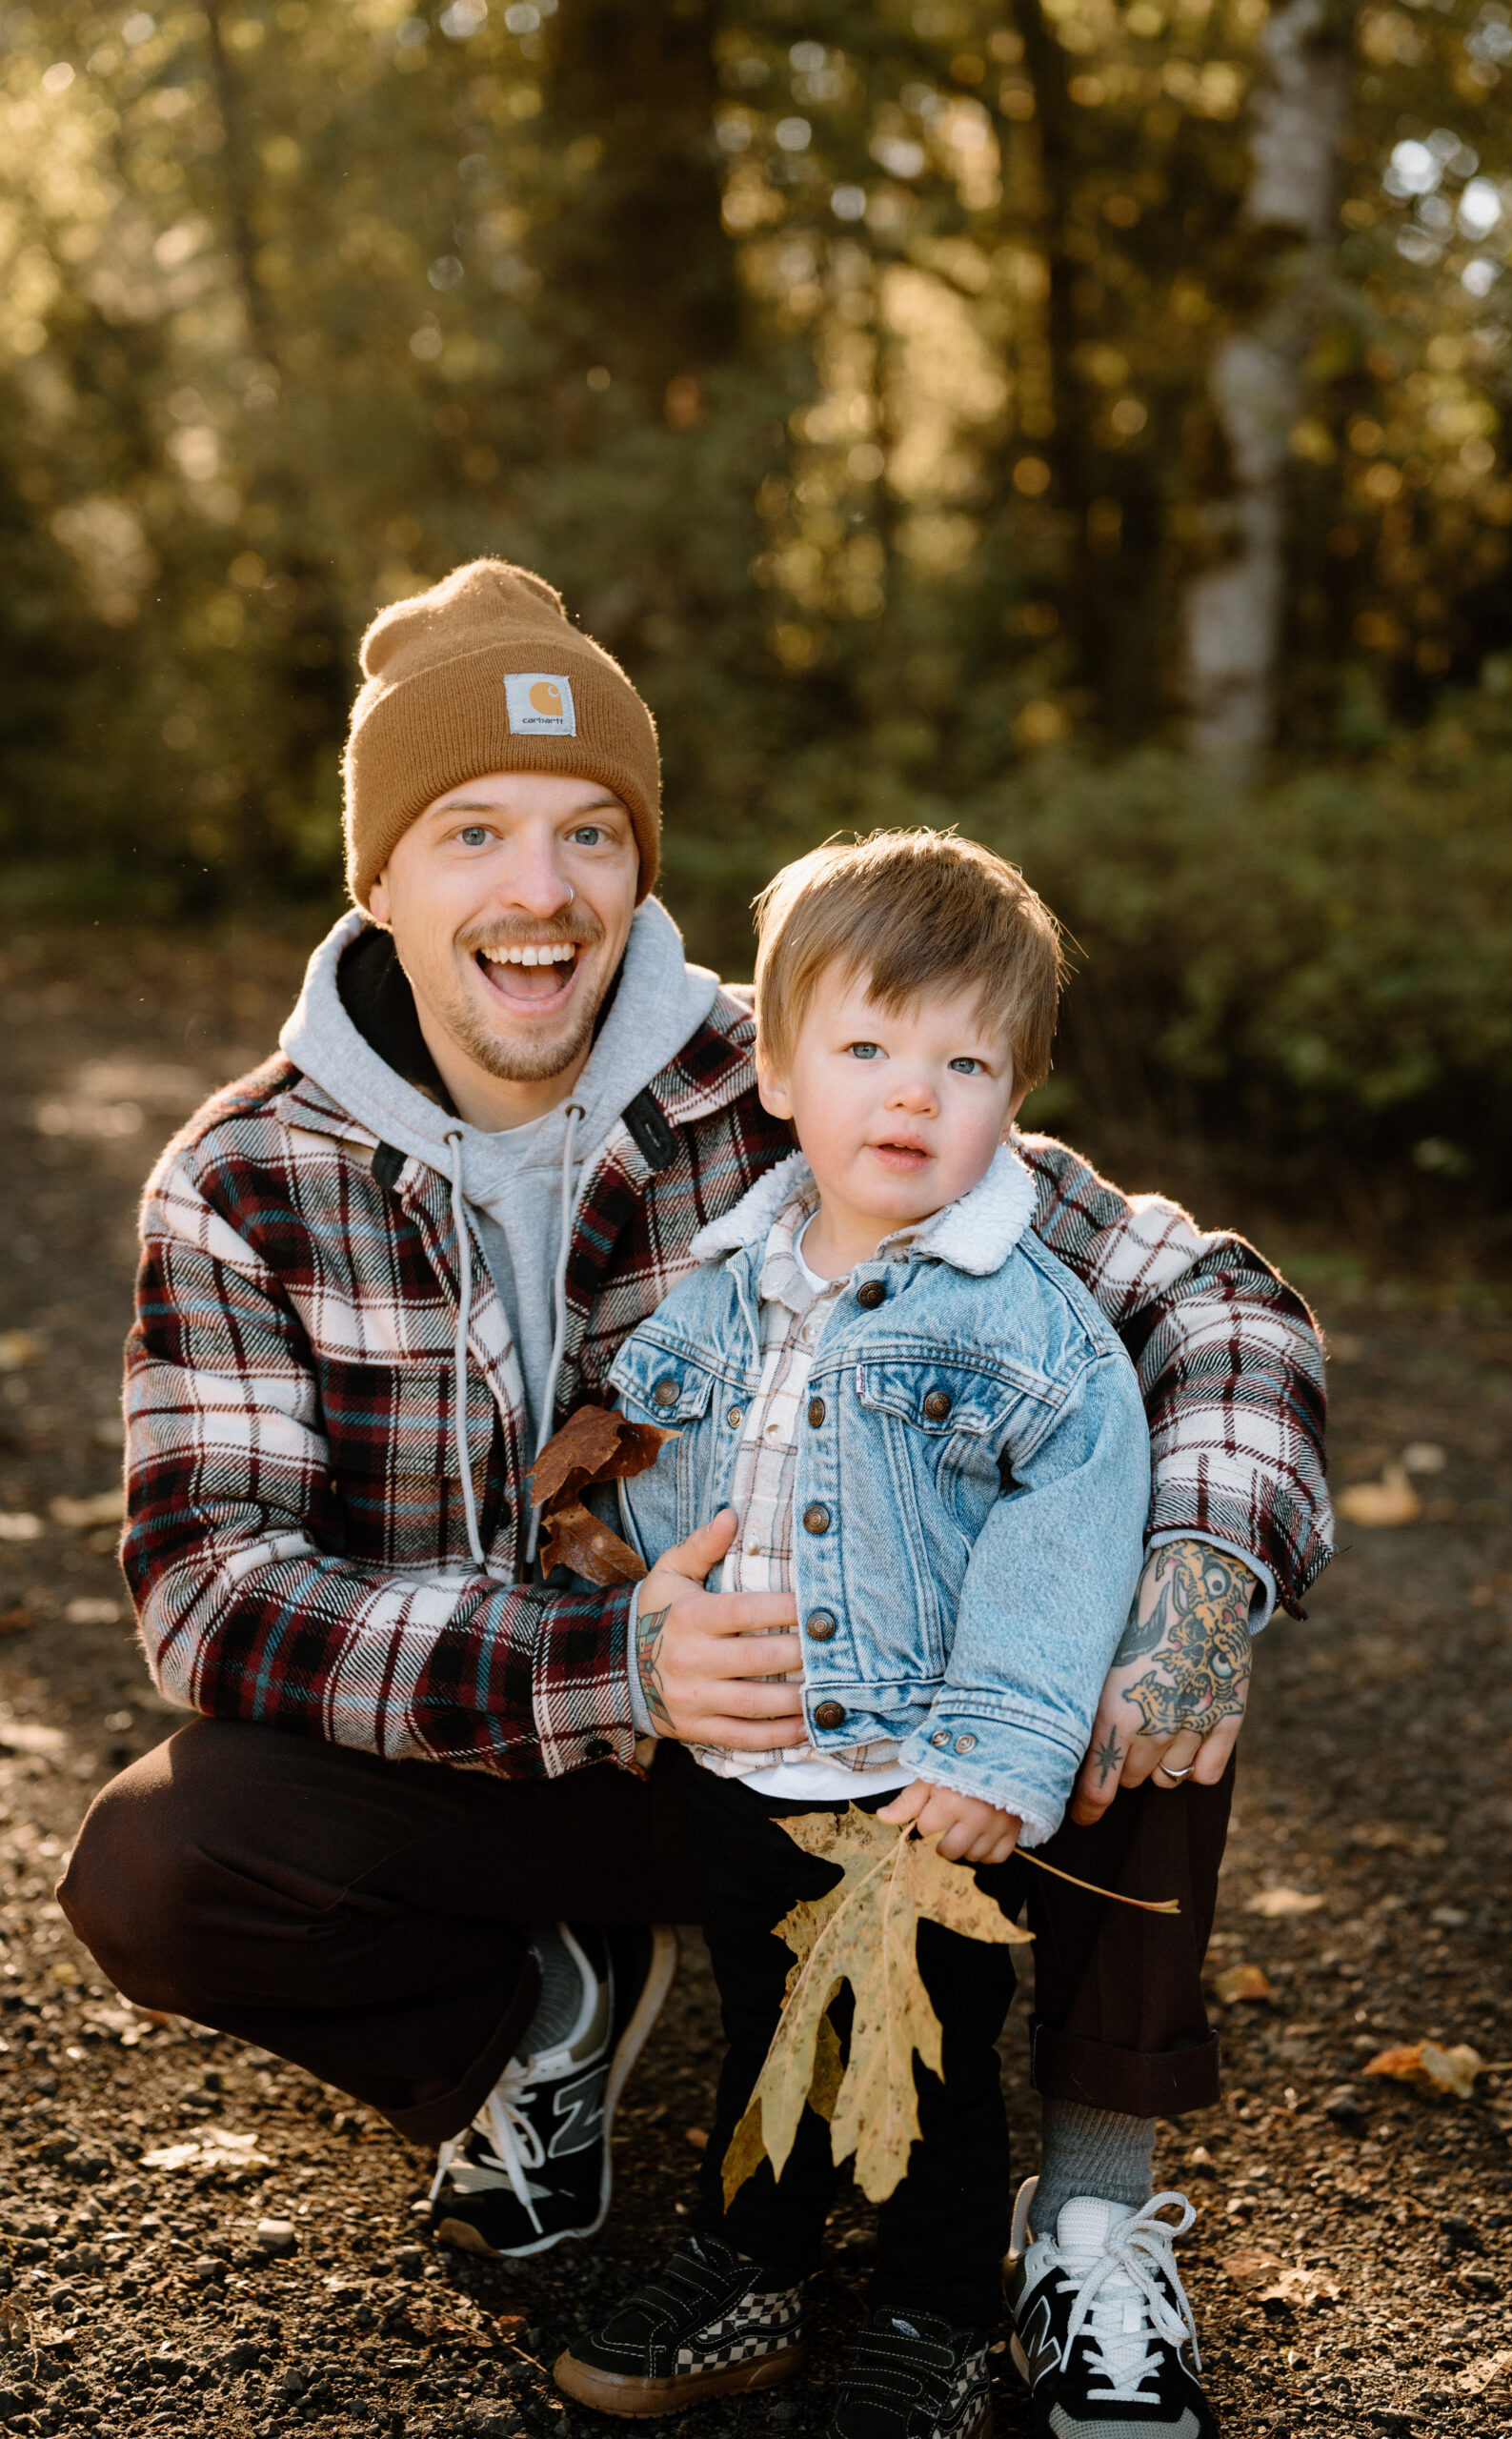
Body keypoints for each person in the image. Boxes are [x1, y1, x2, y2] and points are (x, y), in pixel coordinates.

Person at [57, 558, 1332, 2439]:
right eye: (472, 828)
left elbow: (1194, 1293)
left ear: (640, 868)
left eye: (591, 832)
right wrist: (615, 1665)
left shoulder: (809, 1056)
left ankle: (1089, 2212)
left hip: (869, 1740)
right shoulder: (249, 1171)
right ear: (382, 876)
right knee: (154, 1860)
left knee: (1139, 1535)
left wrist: (1202, 1569)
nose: (539, 889)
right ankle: (535, 2021)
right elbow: (208, 1588)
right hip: (525, 1756)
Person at [550, 830, 1168, 2439]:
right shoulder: (734, 1267)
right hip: (740, 1755)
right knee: (767, 2026)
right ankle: (749, 2259)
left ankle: (935, 2308)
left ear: (1014, 1095)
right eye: (870, 1047)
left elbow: (1070, 1532)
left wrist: (1002, 1753)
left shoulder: (1021, 1322)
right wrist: (591, 1469)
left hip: (914, 1781)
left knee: (935, 2068)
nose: (912, 1093)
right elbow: (664, 1415)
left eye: (964, 1062)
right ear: (776, 1067)